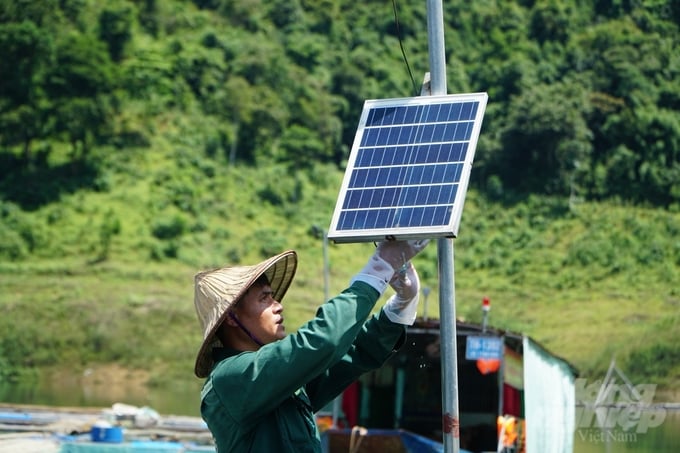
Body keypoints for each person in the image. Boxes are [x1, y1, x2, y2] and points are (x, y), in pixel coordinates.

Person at [192, 239, 429, 452]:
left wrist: (400, 306)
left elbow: (352, 354)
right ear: (232, 318)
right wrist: (378, 269)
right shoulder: (229, 379)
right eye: (264, 298)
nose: (278, 305)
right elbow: (322, 341)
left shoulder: (278, 383)